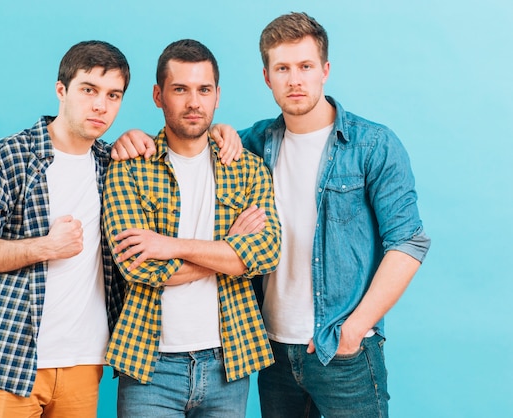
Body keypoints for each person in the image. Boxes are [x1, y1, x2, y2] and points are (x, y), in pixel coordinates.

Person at [114, 12, 432, 418]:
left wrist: (355, 328)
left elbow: (408, 240)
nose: (294, 80)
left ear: (325, 71)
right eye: (282, 68)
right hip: (271, 350)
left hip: (342, 348)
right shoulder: (254, 144)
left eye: (305, 66)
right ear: (267, 76)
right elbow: (195, 136)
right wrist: (130, 139)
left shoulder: (371, 145)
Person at [0, 40, 242, 418]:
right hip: (10, 359)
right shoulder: (5, 159)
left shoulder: (114, 163)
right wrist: (45, 247)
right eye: (89, 90)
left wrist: (221, 130)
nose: (101, 105)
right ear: (61, 90)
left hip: (85, 361)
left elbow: (187, 139)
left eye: (113, 95)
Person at [102, 39, 281, 418]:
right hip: (150, 365)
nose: (193, 102)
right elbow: (138, 267)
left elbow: (266, 253)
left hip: (227, 362)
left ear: (217, 95)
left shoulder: (246, 168)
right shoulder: (130, 166)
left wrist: (171, 245)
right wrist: (231, 252)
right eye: (180, 89)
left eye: (204, 89)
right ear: (158, 95)